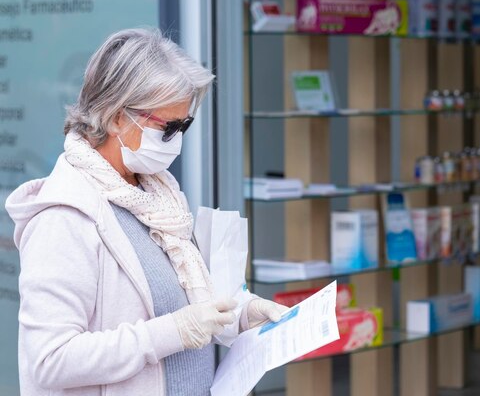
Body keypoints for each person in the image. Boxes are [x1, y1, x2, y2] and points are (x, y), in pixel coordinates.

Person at [5, 28, 287, 396]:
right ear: (116, 117)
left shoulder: (159, 195)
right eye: (168, 128)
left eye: (184, 125)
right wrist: (172, 332)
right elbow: (50, 360)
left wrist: (243, 313)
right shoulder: (64, 216)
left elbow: (189, 303)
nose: (178, 139)